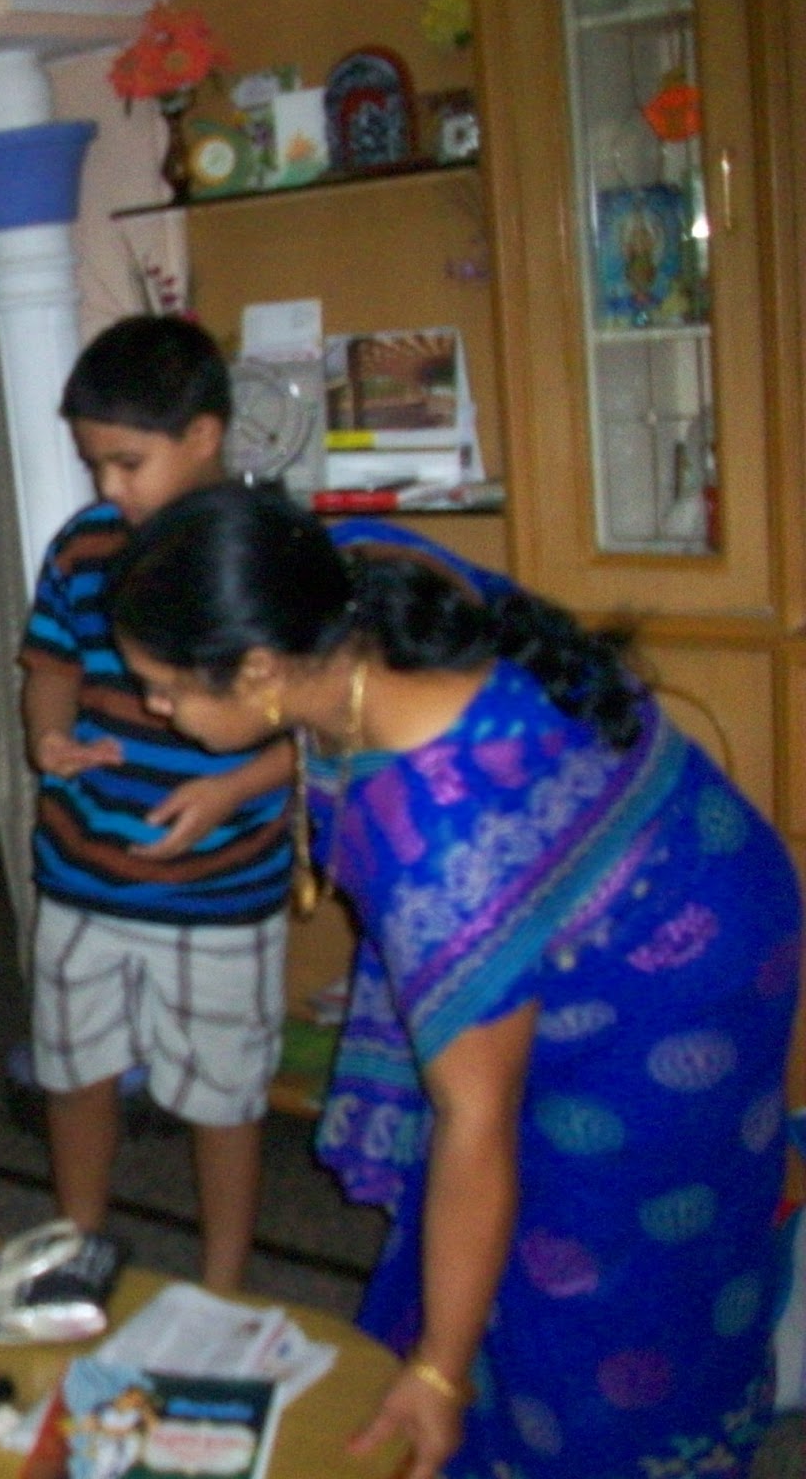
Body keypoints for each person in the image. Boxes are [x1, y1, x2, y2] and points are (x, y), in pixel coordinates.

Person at [105, 481, 800, 1479]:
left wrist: (435, 1373)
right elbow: (319, 711)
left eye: (166, 689)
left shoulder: (443, 847)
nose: (154, 708)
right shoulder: (347, 573)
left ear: (257, 668)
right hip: (686, 859)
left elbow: (475, 1122)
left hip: (677, 974)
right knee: (573, 1214)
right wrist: (240, 782)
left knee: (598, 1256)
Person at [21, 314, 294, 1291]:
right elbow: (49, 666)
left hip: (218, 892)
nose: (109, 488)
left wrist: (233, 788)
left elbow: (320, 722)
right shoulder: (85, 546)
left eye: (127, 463)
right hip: (81, 873)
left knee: (222, 1099)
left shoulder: (268, 553)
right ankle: (76, 1248)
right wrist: (47, 740)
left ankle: (222, 1280)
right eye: (94, 465)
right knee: (71, 1074)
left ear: (203, 436)